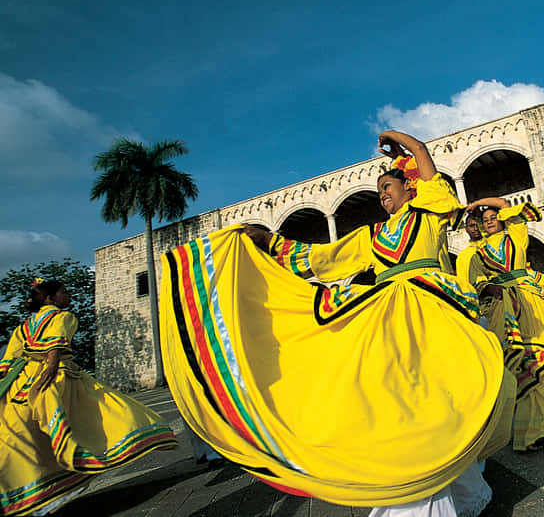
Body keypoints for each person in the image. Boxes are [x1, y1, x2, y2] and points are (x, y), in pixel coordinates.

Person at [159, 130, 515, 517]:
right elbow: (321, 258)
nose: (383, 194)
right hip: (390, 318)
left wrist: (404, 146)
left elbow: (426, 166)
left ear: (410, 190)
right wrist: (267, 240)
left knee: (438, 398)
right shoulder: (371, 236)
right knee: (406, 403)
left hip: (434, 312)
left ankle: (443, 480)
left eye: (389, 186)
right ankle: (430, 483)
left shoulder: (429, 214)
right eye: (379, 189)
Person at [0, 279, 177, 516]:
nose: (69, 294)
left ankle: (34, 495)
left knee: (30, 440)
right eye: (64, 292)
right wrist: (51, 368)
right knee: (104, 413)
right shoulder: (63, 317)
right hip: (57, 379)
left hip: (21, 386)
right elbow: (55, 348)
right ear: (51, 298)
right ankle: (62, 483)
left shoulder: (22, 328)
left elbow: (8, 362)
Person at [461, 197, 544, 451]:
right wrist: (488, 286)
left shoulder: (516, 235)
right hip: (504, 307)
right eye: (485, 220)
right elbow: (475, 280)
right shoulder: (477, 254)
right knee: (519, 361)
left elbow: (506, 204)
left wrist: (479, 203)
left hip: (530, 300)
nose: (490, 222)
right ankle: (534, 425)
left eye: (493, 218)